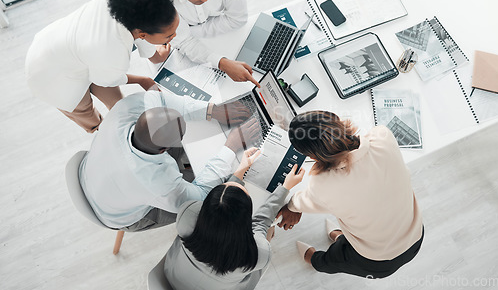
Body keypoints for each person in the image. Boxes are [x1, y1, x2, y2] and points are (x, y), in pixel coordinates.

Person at [79, 89, 259, 231]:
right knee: (214, 203)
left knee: (198, 163)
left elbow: (162, 100)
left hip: (91, 172)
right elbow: (201, 197)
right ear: (164, 150)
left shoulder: (126, 107)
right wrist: (230, 147)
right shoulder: (157, 183)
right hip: (114, 215)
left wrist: (212, 110)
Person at [25, 0, 178, 133]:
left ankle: (124, 122)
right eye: (169, 36)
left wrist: (155, 56)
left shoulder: (125, 0)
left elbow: (107, 72)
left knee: (118, 103)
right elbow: (106, 80)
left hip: (63, 42)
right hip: (50, 75)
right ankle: (100, 130)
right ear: (142, 33)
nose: (174, 36)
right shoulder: (113, 52)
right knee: (86, 112)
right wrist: (143, 80)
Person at [277, 111, 424, 279]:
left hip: (378, 261)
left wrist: (291, 207)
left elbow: (304, 201)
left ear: (311, 156)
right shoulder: (383, 136)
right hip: (414, 233)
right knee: (357, 225)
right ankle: (342, 238)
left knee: (331, 261)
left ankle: (315, 261)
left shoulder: (324, 184)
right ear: (338, 123)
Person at [163, 150, 305, 290]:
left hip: (174, 278)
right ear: (246, 220)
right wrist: (285, 187)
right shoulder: (259, 253)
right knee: (269, 230)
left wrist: (241, 170)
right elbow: (261, 223)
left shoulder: (186, 214)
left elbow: (221, 205)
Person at [154, 0, 260, 87]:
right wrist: (223, 63)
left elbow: (238, 19)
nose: (205, 0)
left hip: (219, 37)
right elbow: (183, 43)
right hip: (197, 48)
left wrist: (185, 34)